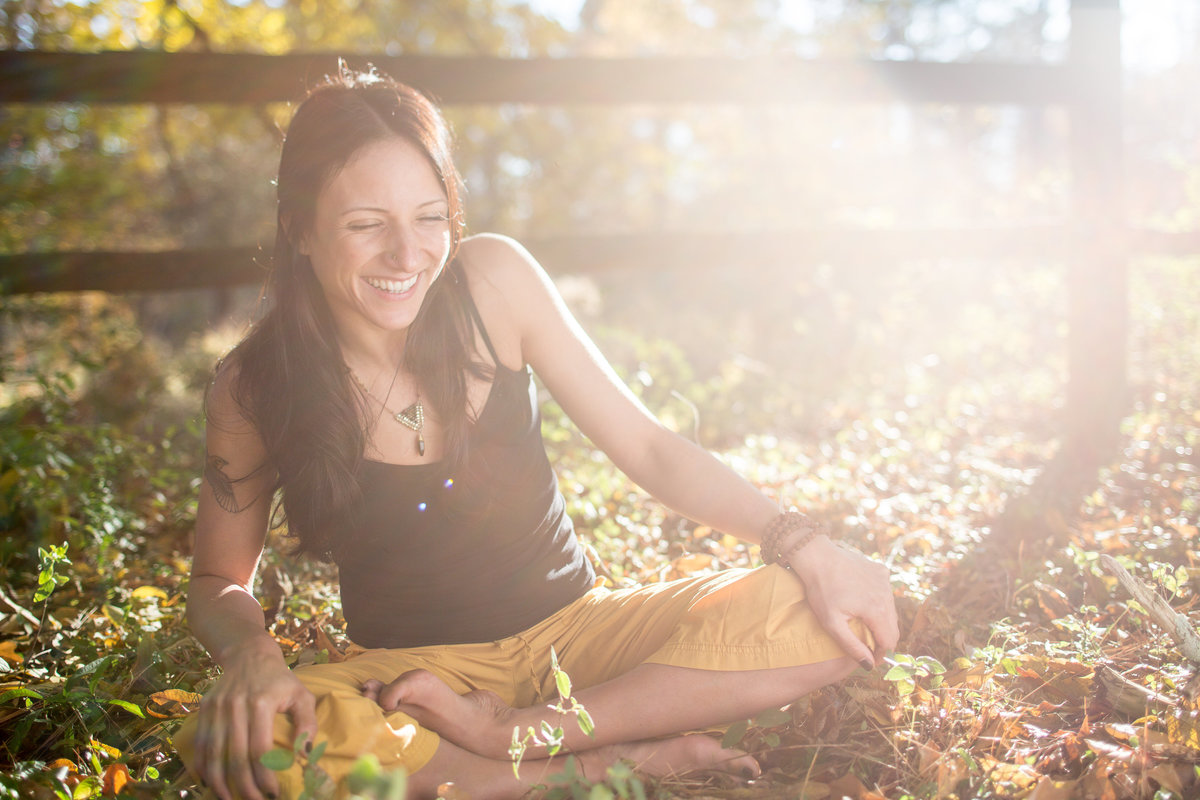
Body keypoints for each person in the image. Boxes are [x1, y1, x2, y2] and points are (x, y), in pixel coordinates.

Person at [174, 65, 899, 800]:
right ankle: (597, 765)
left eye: (429, 218)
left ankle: (514, 742)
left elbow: (649, 448)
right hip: (414, 679)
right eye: (366, 225)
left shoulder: (493, 282)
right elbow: (217, 580)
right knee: (247, 741)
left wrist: (804, 544)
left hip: (582, 636)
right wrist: (252, 654)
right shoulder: (255, 384)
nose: (407, 255)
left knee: (831, 614)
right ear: (299, 228)